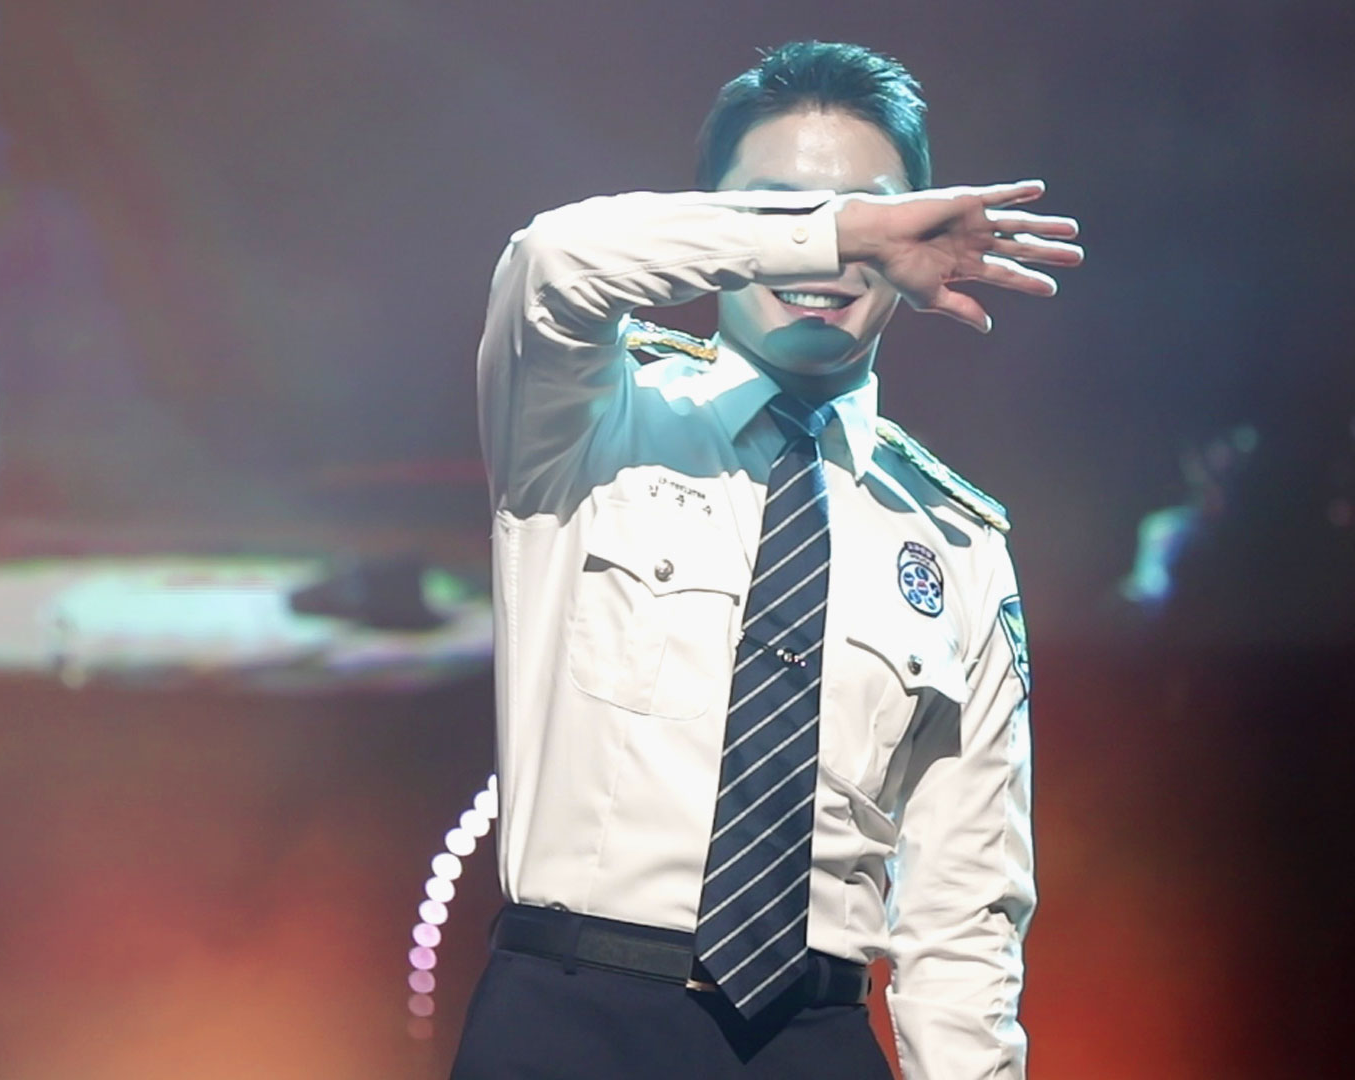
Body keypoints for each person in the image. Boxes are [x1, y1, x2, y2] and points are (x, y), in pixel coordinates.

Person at [458, 40, 1083, 1080]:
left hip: (815, 1036)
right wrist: (840, 230)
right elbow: (552, 262)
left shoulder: (958, 542)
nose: (832, 256)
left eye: (878, 217)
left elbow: (964, 913)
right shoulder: (586, 420)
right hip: (573, 1021)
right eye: (782, 212)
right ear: (715, 226)